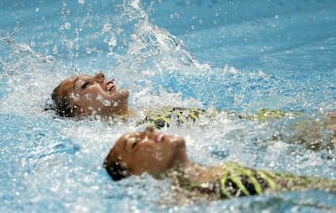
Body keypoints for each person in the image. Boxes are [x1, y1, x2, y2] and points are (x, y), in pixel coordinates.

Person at [50, 72, 336, 149]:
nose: (103, 78)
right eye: (87, 85)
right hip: (268, 140)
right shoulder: (135, 140)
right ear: (82, 113)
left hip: (263, 124)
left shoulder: (145, 114)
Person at [103, 126, 336, 201]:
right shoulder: (192, 196)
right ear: (137, 174)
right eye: (135, 143)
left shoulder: (213, 171)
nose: (149, 130)